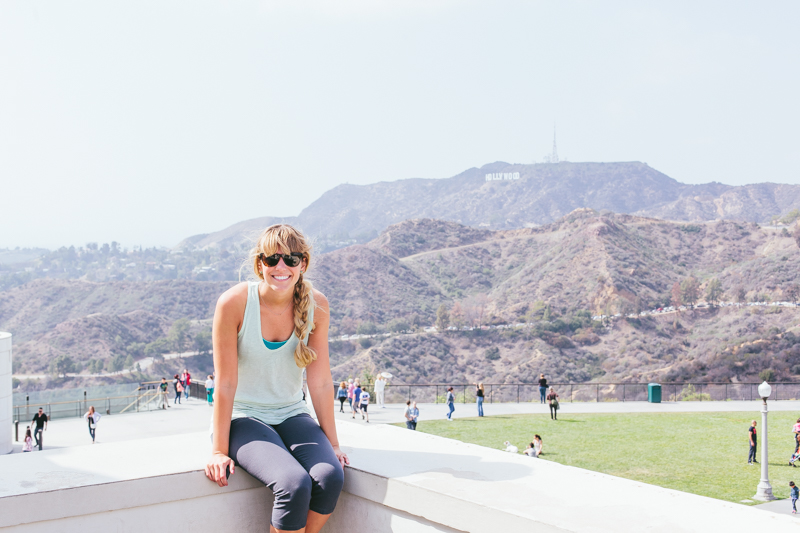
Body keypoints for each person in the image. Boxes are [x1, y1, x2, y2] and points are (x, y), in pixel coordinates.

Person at [205, 224, 347, 533]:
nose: (281, 267)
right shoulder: (234, 303)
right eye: (272, 259)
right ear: (259, 264)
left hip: (292, 413)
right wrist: (218, 450)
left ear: (303, 264)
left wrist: (332, 443)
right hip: (245, 417)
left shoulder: (317, 306)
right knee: (293, 484)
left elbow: (321, 381)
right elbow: (225, 383)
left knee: (331, 477)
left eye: (291, 259)